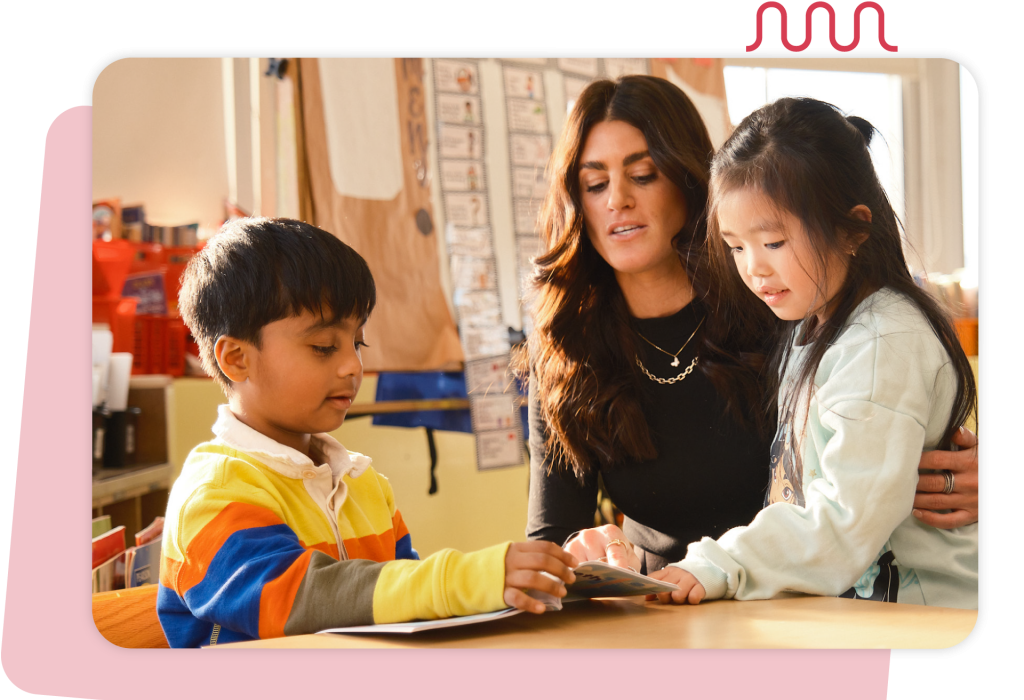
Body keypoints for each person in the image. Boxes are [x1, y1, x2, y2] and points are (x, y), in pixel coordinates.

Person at [518, 76, 978, 579]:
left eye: (643, 174)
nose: (617, 200)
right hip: (663, 605)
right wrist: (577, 552)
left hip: (801, 605)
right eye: (595, 184)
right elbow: (550, 537)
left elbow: (895, 426)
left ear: (692, 182)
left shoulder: (787, 299)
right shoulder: (567, 345)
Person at [159, 217, 577, 647]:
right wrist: (465, 581)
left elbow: (403, 602)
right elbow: (297, 599)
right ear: (236, 359)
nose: (352, 366)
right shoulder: (215, 493)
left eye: (357, 343)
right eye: (324, 347)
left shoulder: (366, 486)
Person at [646, 97, 978, 608]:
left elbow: (844, 523)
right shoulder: (813, 324)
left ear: (852, 230)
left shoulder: (881, 342)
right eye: (736, 246)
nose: (753, 268)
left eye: (773, 242)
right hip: (856, 608)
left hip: (923, 615)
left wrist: (722, 562)